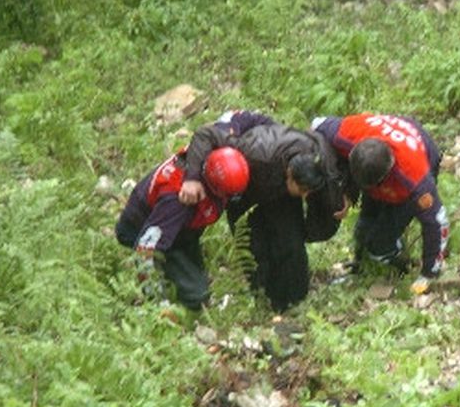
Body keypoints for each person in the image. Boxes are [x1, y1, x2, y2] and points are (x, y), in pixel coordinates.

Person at [180, 110, 345, 311]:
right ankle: (262, 297)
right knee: (252, 243)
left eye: (308, 192)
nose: (304, 195)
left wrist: (311, 229)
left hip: (280, 191)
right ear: (290, 174)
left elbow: (329, 208)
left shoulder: (322, 163)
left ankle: (294, 301)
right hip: (249, 185)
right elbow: (206, 135)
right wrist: (192, 178)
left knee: (291, 242)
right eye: (302, 190)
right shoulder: (253, 151)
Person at [312, 113, 448, 295]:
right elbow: (314, 128)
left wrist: (429, 273)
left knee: (381, 242)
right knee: (363, 230)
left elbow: (437, 222)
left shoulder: (416, 180)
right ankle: (362, 267)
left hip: (416, 157)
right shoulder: (345, 133)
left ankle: (400, 264)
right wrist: (341, 191)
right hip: (378, 159)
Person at [115, 141, 250, 313]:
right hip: (142, 228)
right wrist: (157, 301)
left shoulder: (204, 157)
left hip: (180, 229)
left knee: (198, 282)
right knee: (197, 296)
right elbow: (146, 249)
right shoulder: (177, 202)